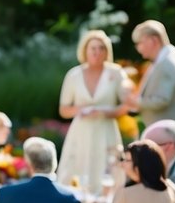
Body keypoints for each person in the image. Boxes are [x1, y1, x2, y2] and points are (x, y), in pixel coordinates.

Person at [56, 29, 131, 193]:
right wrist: (81, 110)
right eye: (93, 48)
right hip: (81, 131)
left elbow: (127, 105)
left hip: (106, 130)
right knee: (74, 172)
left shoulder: (116, 73)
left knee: (109, 172)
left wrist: (105, 112)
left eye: (101, 48)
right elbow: (63, 110)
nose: (97, 53)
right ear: (85, 51)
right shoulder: (74, 75)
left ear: (107, 51)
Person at [125, 19, 175, 135]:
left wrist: (136, 102)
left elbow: (161, 100)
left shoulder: (166, 63)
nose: (138, 48)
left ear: (154, 40)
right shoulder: (174, 57)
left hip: (165, 133)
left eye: (140, 43)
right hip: (172, 130)